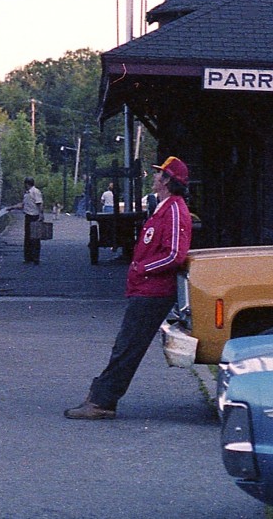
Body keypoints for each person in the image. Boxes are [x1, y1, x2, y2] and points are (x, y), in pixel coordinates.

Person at [65, 156, 193, 420]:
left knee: (127, 346)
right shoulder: (164, 207)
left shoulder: (174, 210)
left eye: (160, 174)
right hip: (146, 290)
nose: (155, 177)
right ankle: (100, 396)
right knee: (126, 345)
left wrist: (142, 269)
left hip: (154, 291)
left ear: (168, 181)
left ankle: (102, 401)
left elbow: (175, 255)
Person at [20, 177, 44, 264]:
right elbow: (23, 205)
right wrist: (11, 208)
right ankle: (28, 258)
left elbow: (39, 203)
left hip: (34, 217)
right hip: (28, 216)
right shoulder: (27, 193)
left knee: (35, 238)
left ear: (27, 184)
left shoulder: (35, 192)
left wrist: (41, 215)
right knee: (27, 238)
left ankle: (35, 258)